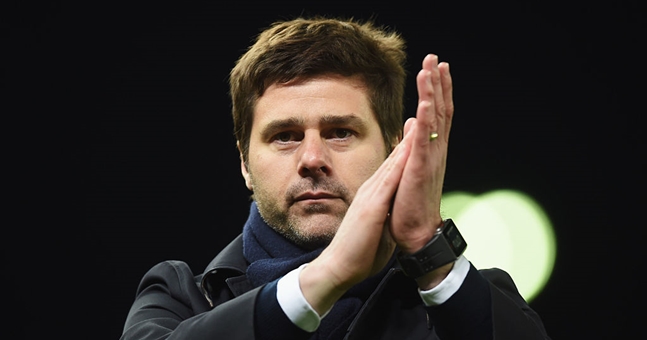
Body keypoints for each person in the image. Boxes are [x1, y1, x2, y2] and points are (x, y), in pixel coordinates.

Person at [120, 15, 550, 339]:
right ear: (245, 165)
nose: (312, 158)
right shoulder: (179, 299)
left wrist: (427, 251)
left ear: (395, 150)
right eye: (285, 136)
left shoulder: (462, 294)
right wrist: (330, 273)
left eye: (340, 132)